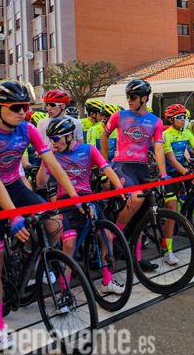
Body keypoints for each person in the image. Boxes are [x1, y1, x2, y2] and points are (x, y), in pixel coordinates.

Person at [0, 81, 82, 351]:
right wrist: (14, 217)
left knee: (55, 223)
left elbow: (53, 164)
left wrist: (76, 198)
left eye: (27, 107)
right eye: (17, 107)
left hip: (16, 187)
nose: (24, 112)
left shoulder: (28, 128)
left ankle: (29, 259)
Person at [36, 117, 126, 294]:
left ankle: (107, 282)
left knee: (107, 237)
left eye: (56, 138)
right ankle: (64, 292)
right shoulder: (52, 154)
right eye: (50, 139)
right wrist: (45, 159)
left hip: (87, 197)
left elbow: (106, 168)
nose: (53, 142)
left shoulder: (88, 149)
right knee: (69, 245)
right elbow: (40, 183)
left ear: (69, 136)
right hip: (65, 200)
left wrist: (120, 188)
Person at [101, 79, 168, 271]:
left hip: (142, 168)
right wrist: (105, 164)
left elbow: (158, 147)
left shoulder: (155, 121)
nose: (128, 100)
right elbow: (104, 136)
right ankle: (116, 236)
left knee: (144, 214)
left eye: (132, 97)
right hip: (123, 165)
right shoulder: (119, 116)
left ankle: (137, 259)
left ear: (144, 98)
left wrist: (163, 173)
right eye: (127, 96)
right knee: (136, 199)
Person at [162, 104, 194, 254]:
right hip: (168, 174)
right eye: (179, 117)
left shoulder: (187, 133)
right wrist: (187, 173)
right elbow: (172, 159)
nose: (183, 120)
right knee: (173, 211)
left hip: (182, 171)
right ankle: (167, 250)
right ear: (171, 119)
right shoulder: (166, 135)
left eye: (185, 117)